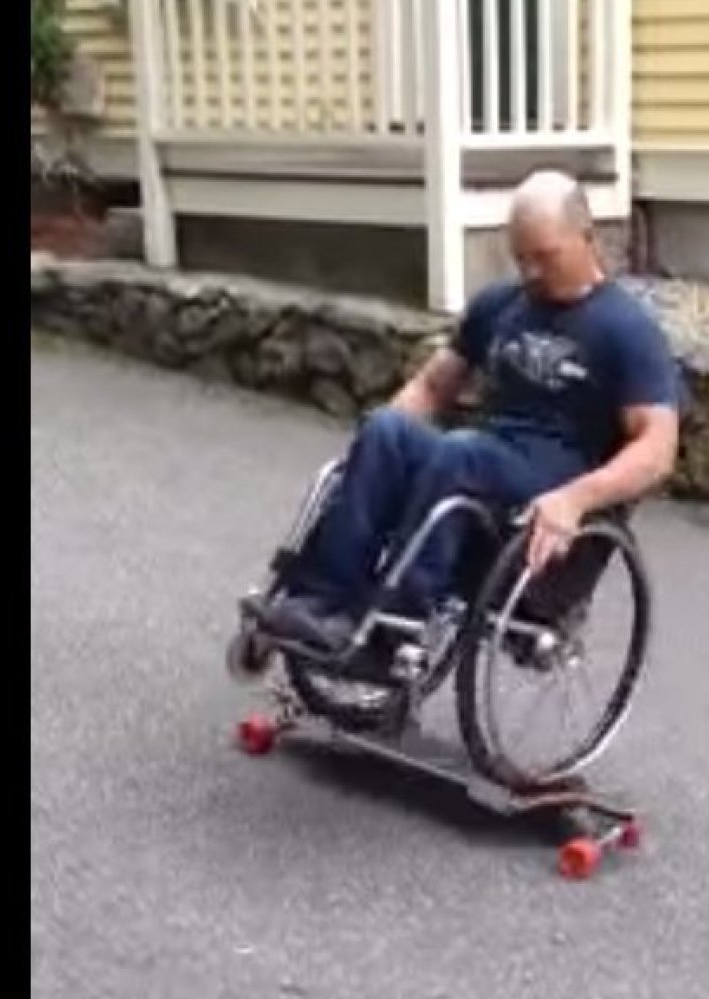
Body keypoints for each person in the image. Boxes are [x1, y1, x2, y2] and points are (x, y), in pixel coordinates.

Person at [252, 169, 682, 655]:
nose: (532, 273)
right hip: (484, 457)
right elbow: (433, 386)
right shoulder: (500, 304)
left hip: (550, 479)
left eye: (545, 257)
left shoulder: (626, 329)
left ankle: (397, 628)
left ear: (587, 239)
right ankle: (318, 602)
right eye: (521, 258)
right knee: (387, 428)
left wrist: (575, 500)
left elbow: (657, 451)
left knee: (462, 454)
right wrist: (380, 457)